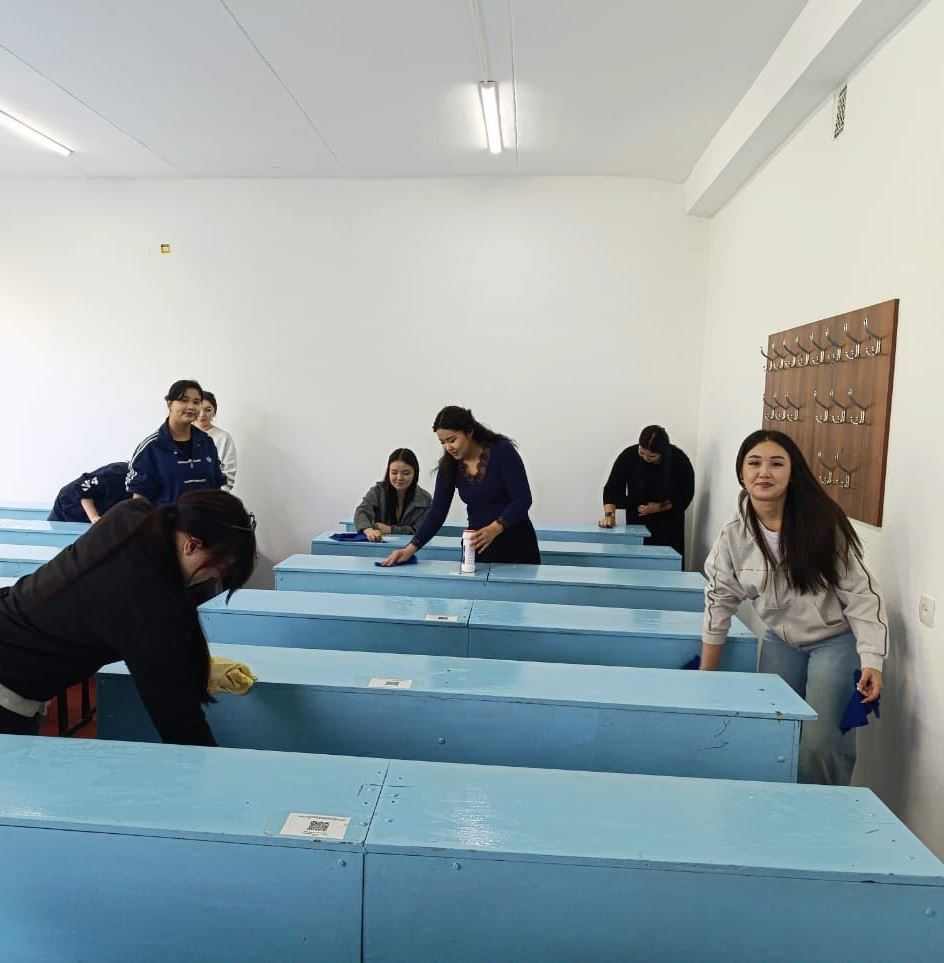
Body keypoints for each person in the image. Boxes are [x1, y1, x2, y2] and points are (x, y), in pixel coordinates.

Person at [700, 429, 888, 786]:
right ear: (741, 472)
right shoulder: (734, 532)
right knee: (775, 731)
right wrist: (706, 677)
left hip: (834, 640)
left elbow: (862, 595)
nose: (764, 472)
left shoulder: (822, 522)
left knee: (820, 743)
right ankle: (777, 808)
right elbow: (719, 600)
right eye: (754, 463)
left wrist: (872, 661)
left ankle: (823, 809)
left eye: (776, 463)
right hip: (780, 641)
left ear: (792, 472)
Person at [0, 491, 256, 744]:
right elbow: (178, 718)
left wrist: (195, 664)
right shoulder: (145, 598)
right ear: (192, 545)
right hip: (9, 680)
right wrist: (210, 764)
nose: (213, 576)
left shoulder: (132, 515)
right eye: (217, 567)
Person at [382, 406, 540, 566]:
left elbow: (522, 500)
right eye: (442, 442)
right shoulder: (449, 466)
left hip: (516, 542)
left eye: (452, 440)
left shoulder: (502, 451)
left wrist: (494, 528)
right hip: (479, 545)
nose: (448, 447)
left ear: (469, 432)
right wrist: (409, 549)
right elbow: (437, 514)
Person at [599, 425, 694, 563]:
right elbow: (612, 487)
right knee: (637, 564)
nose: (645, 458)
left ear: (663, 453)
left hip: (669, 524)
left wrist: (658, 507)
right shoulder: (629, 455)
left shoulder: (679, 460)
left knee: (667, 565)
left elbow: (686, 494)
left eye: (652, 456)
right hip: (637, 522)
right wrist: (609, 516)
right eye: (641, 452)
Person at [126, 380, 226, 505]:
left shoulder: (206, 442)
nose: (191, 407)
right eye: (184, 400)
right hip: (166, 517)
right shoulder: (151, 447)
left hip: (204, 516)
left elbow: (217, 488)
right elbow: (139, 500)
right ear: (170, 404)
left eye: (196, 402)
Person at [354, 448, 432, 542]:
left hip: (411, 547)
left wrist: (391, 529)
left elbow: (422, 530)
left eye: (406, 473)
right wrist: (368, 530)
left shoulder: (425, 499)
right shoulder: (377, 491)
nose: (399, 478)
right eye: (394, 473)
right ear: (388, 472)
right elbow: (361, 512)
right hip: (379, 545)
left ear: (415, 473)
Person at [48, 462, 131, 523]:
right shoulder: (118, 472)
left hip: (91, 518)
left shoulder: (135, 492)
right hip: (68, 505)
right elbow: (83, 488)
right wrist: (94, 517)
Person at [195, 391, 238, 491]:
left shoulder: (224, 438)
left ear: (214, 412)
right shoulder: (181, 435)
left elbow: (228, 474)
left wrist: (217, 496)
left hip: (214, 496)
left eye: (208, 410)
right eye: (199, 409)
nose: (202, 414)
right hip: (184, 497)